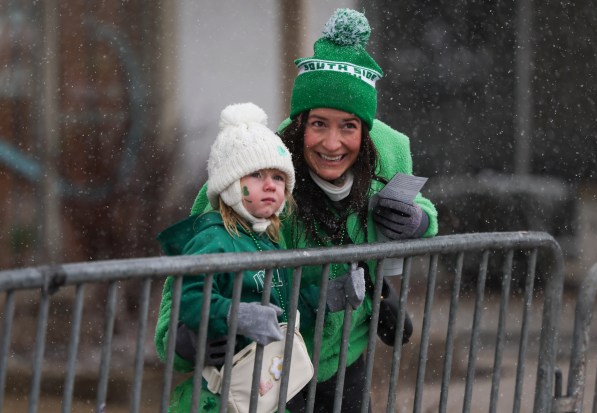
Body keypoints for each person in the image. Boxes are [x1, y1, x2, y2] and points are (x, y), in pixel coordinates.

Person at [189, 8, 439, 412]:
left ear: (365, 131)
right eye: (319, 124)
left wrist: (419, 221)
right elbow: (197, 241)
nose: (332, 143)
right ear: (300, 122)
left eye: (348, 127)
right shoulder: (260, 168)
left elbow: (415, 204)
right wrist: (187, 332)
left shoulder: (385, 160)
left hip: (343, 358)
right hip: (266, 362)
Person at [154, 102, 297, 412]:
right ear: (231, 185)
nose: (270, 184)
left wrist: (329, 295)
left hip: (263, 389)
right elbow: (190, 299)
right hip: (220, 396)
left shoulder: (269, 239)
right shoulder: (215, 239)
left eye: (278, 176)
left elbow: (283, 303)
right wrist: (237, 315)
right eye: (257, 174)